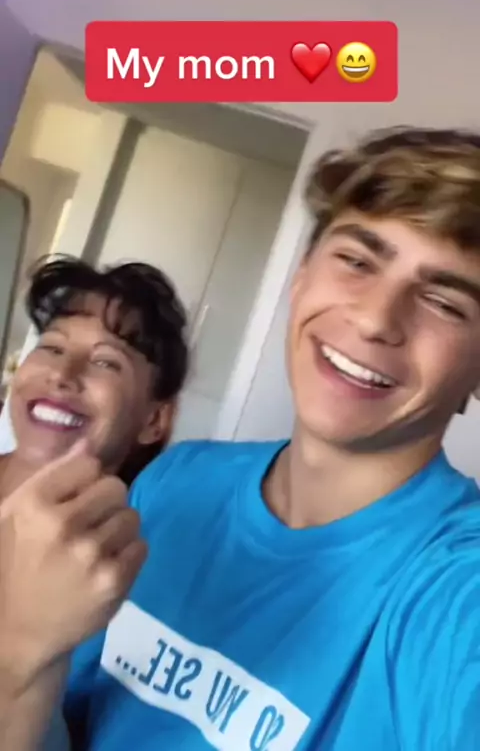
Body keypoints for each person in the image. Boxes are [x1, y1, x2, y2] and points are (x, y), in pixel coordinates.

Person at [8, 124, 480, 750]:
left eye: (445, 302)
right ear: (301, 277)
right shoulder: (175, 483)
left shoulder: (456, 592)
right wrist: (25, 651)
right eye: (357, 261)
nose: (374, 319)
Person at [0, 255, 189, 750]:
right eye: (52, 347)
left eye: (106, 361)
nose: (63, 374)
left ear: (154, 420)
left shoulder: (121, 575)